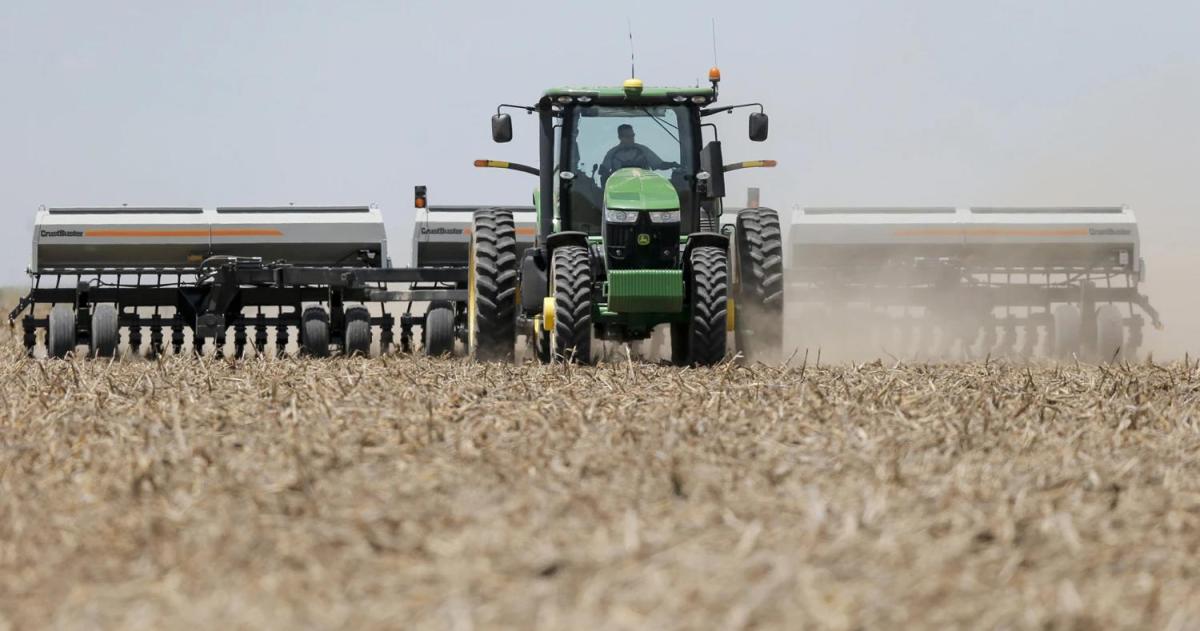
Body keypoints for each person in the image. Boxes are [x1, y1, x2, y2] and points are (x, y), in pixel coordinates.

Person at [600, 124, 679, 177]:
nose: (631, 138)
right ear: (620, 137)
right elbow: (603, 172)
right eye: (628, 136)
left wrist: (672, 164)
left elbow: (659, 164)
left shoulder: (643, 150)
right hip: (619, 189)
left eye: (632, 135)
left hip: (644, 187)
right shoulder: (612, 153)